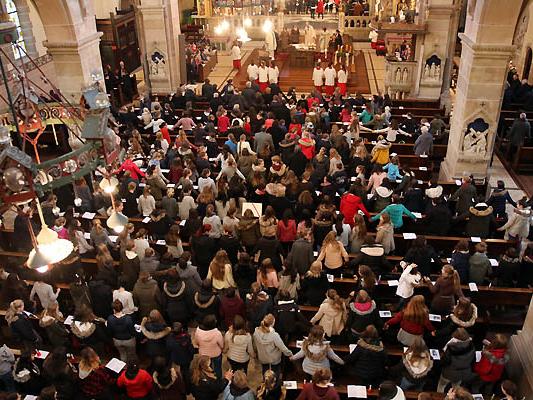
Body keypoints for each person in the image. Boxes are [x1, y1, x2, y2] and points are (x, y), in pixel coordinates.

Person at [437, 328, 476, 393]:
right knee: (456, 387)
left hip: (449, 372)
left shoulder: (452, 348)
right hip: (463, 373)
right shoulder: (471, 346)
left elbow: (445, 361)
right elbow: (472, 360)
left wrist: (441, 357)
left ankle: (439, 396)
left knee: (442, 385)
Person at [107, 300, 137, 364]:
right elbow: (132, 331)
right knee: (131, 355)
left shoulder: (110, 318)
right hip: (129, 340)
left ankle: (124, 367)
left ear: (113, 309)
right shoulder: (128, 318)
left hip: (117, 341)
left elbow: (109, 332)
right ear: (122, 308)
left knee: (122, 355)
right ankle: (132, 366)